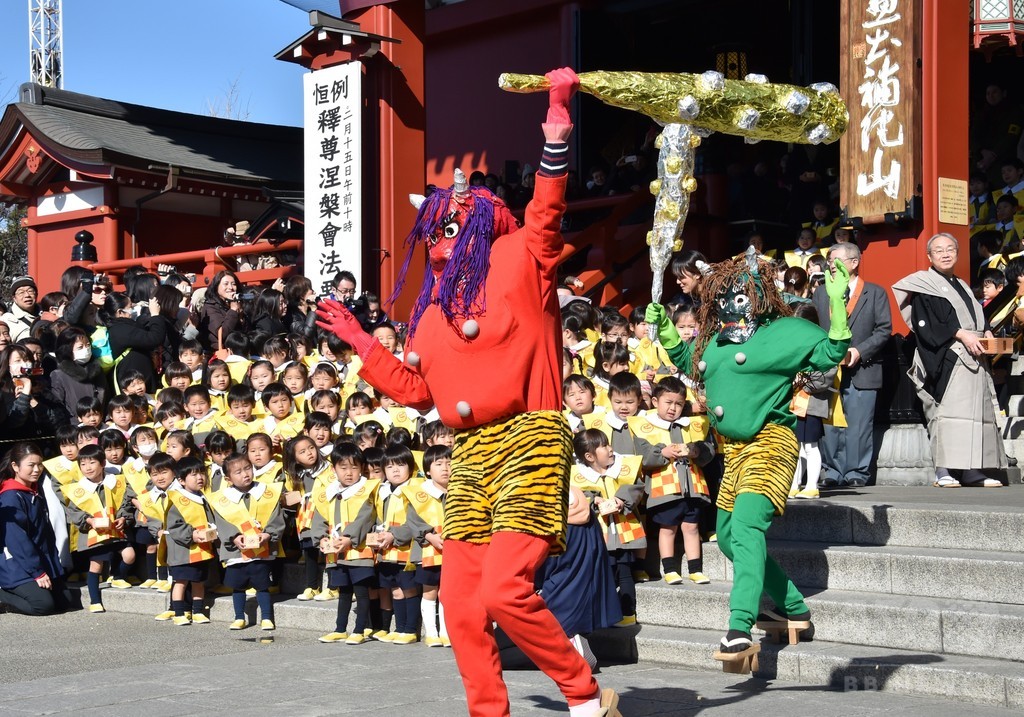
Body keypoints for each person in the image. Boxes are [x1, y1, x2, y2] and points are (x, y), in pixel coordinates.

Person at [316, 68, 619, 717]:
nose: (440, 238)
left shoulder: (520, 256)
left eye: (452, 225)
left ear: (482, 222)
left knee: (508, 590)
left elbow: (548, 199)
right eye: (432, 230)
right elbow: (416, 390)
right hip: (472, 450)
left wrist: (557, 113)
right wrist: (361, 339)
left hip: (532, 436)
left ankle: (584, 691)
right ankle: (488, 710)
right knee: (459, 601)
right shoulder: (427, 315)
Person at [647, 247, 851, 659]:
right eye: (721, 297)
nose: (728, 305)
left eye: (737, 295)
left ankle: (739, 626)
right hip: (733, 450)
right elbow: (692, 360)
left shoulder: (784, 332)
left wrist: (837, 303)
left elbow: (831, 353)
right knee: (724, 536)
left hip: (771, 443)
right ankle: (793, 607)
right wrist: (666, 328)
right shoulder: (716, 339)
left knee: (745, 528)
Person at [892, 233, 1006, 488]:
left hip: (974, 356)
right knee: (947, 415)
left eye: (950, 249)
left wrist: (985, 329)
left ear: (957, 253)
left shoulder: (963, 284)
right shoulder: (924, 285)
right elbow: (926, 325)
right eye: (939, 250)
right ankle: (943, 470)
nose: (945, 254)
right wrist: (960, 333)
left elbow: (976, 316)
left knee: (976, 414)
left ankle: (972, 470)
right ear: (929, 256)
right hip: (948, 358)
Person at [812, 242, 892, 488]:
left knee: (859, 423)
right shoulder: (821, 293)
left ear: (854, 262)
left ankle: (857, 471)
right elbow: (813, 329)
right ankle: (832, 471)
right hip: (828, 369)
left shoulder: (875, 292)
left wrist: (859, 351)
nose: (830, 266)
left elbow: (884, 329)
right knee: (830, 423)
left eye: (835, 260)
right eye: (829, 261)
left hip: (863, 368)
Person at [210, 452, 284, 631]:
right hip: (237, 551)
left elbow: (276, 516)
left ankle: (266, 617)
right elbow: (222, 522)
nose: (245, 474)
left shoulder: (266, 492)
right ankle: (239, 617)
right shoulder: (222, 499)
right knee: (238, 586)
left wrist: (269, 534)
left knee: (262, 585)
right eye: (238, 472)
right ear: (228, 478)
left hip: (261, 548)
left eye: (247, 469)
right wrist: (234, 536)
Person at [314, 442, 379, 644]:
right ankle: (340, 628)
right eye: (343, 468)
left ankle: (359, 630)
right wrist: (320, 538)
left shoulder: (366, 490)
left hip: (359, 551)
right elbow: (319, 518)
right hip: (336, 552)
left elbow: (366, 517)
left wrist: (349, 538)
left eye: (354, 467)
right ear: (334, 469)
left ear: (362, 468)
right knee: (343, 592)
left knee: (361, 591)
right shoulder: (329, 493)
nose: (349, 473)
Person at [0, 442, 73, 615]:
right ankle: (3, 596)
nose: (37, 469)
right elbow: (17, 541)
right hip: (18, 564)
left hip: (39, 561)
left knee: (65, 602)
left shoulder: (34, 489)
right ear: (15, 466)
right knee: (43, 605)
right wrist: (38, 573)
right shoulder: (10, 496)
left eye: (39, 464)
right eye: (31, 465)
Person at [164, 456, 218, 625]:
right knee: (180, 581)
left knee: (198, 581)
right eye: (194, 474)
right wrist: (192, 535)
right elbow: (174, 526)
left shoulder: (204, 497)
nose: (200, 477)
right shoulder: (177, 499)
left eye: (202, 473)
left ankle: (198, 610)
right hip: (183, 550)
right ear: (181, 480)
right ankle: (179, 612)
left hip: (202, 548)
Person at [195, 270, 242, 353]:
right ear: (217, 286)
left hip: (238, 350)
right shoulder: (210, 306)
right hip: (220, 353)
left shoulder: (236, 303)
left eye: (233, 284)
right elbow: (222, 333)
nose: (230, 287)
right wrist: (233, 311)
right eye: (226, 284)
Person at [2, 276, 40, 343]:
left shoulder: (46, 314)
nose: (27, 295)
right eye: (21, 292)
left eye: (30, 291)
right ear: (14, 298)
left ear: (36, 294)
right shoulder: (7, 320)